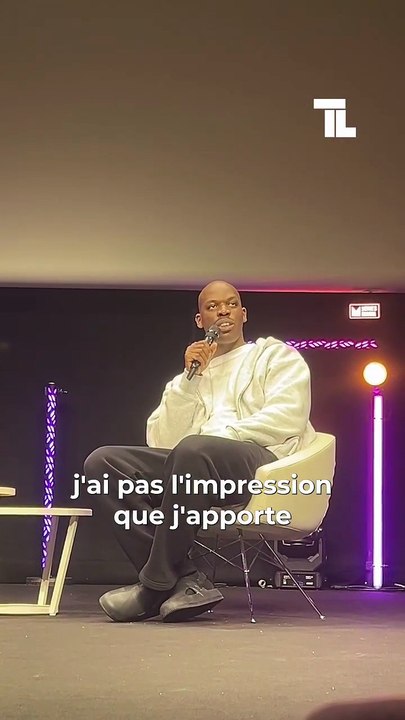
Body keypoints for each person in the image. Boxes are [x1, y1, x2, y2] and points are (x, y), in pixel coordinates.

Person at [84, 280, 316, 623]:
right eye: (213, 307)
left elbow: (287, 417)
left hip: (257, 465)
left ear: (243, 314)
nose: (223, 312)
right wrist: (188, 383)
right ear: (199, 320)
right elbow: (162, 441)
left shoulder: (274, 356)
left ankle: (154, 584)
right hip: (191, 468)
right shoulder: (189, 376)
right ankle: (186, 581)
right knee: (103, 464)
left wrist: (220, 437)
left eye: (231, 304)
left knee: (196, 448)